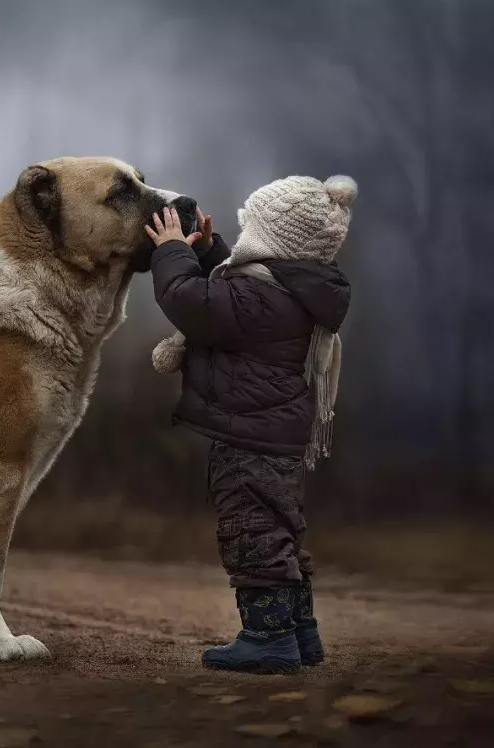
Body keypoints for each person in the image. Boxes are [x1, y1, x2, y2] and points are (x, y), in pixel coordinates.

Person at [143, 175, 356, 673]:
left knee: (252, 530)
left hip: (248, 436)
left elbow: (189, 301)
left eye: (249, 228)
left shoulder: (259, 301)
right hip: (274, 434)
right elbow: (233, 293)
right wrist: (207, 250)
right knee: (280, 528)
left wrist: (172, 251)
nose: (243, 239)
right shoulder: (290, 290)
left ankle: (267, 639)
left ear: (274, 239)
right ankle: (300, 634)